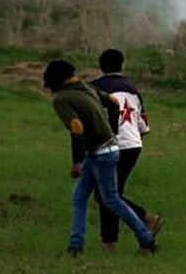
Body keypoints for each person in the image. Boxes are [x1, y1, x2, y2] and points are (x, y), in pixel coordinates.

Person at [43, 60, 157, 256]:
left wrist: (77, 162)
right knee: (79, 197)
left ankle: (146, 238)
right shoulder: (87, 87)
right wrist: (112, 129)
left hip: (100, 154)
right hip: (103, 150)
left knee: (112, 200)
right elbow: (113, 102)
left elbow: (76, 127)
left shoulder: (62, 98)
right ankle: (75, 246)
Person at [90, 49, 162, 251]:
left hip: (111, 145)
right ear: (122, 65)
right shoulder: (133, 89)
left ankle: (144, 220)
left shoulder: (95, 88)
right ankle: (111, 242)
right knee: (110, 194)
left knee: (107, 195)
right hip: (133, 145)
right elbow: (143, 126)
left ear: (101, 66)